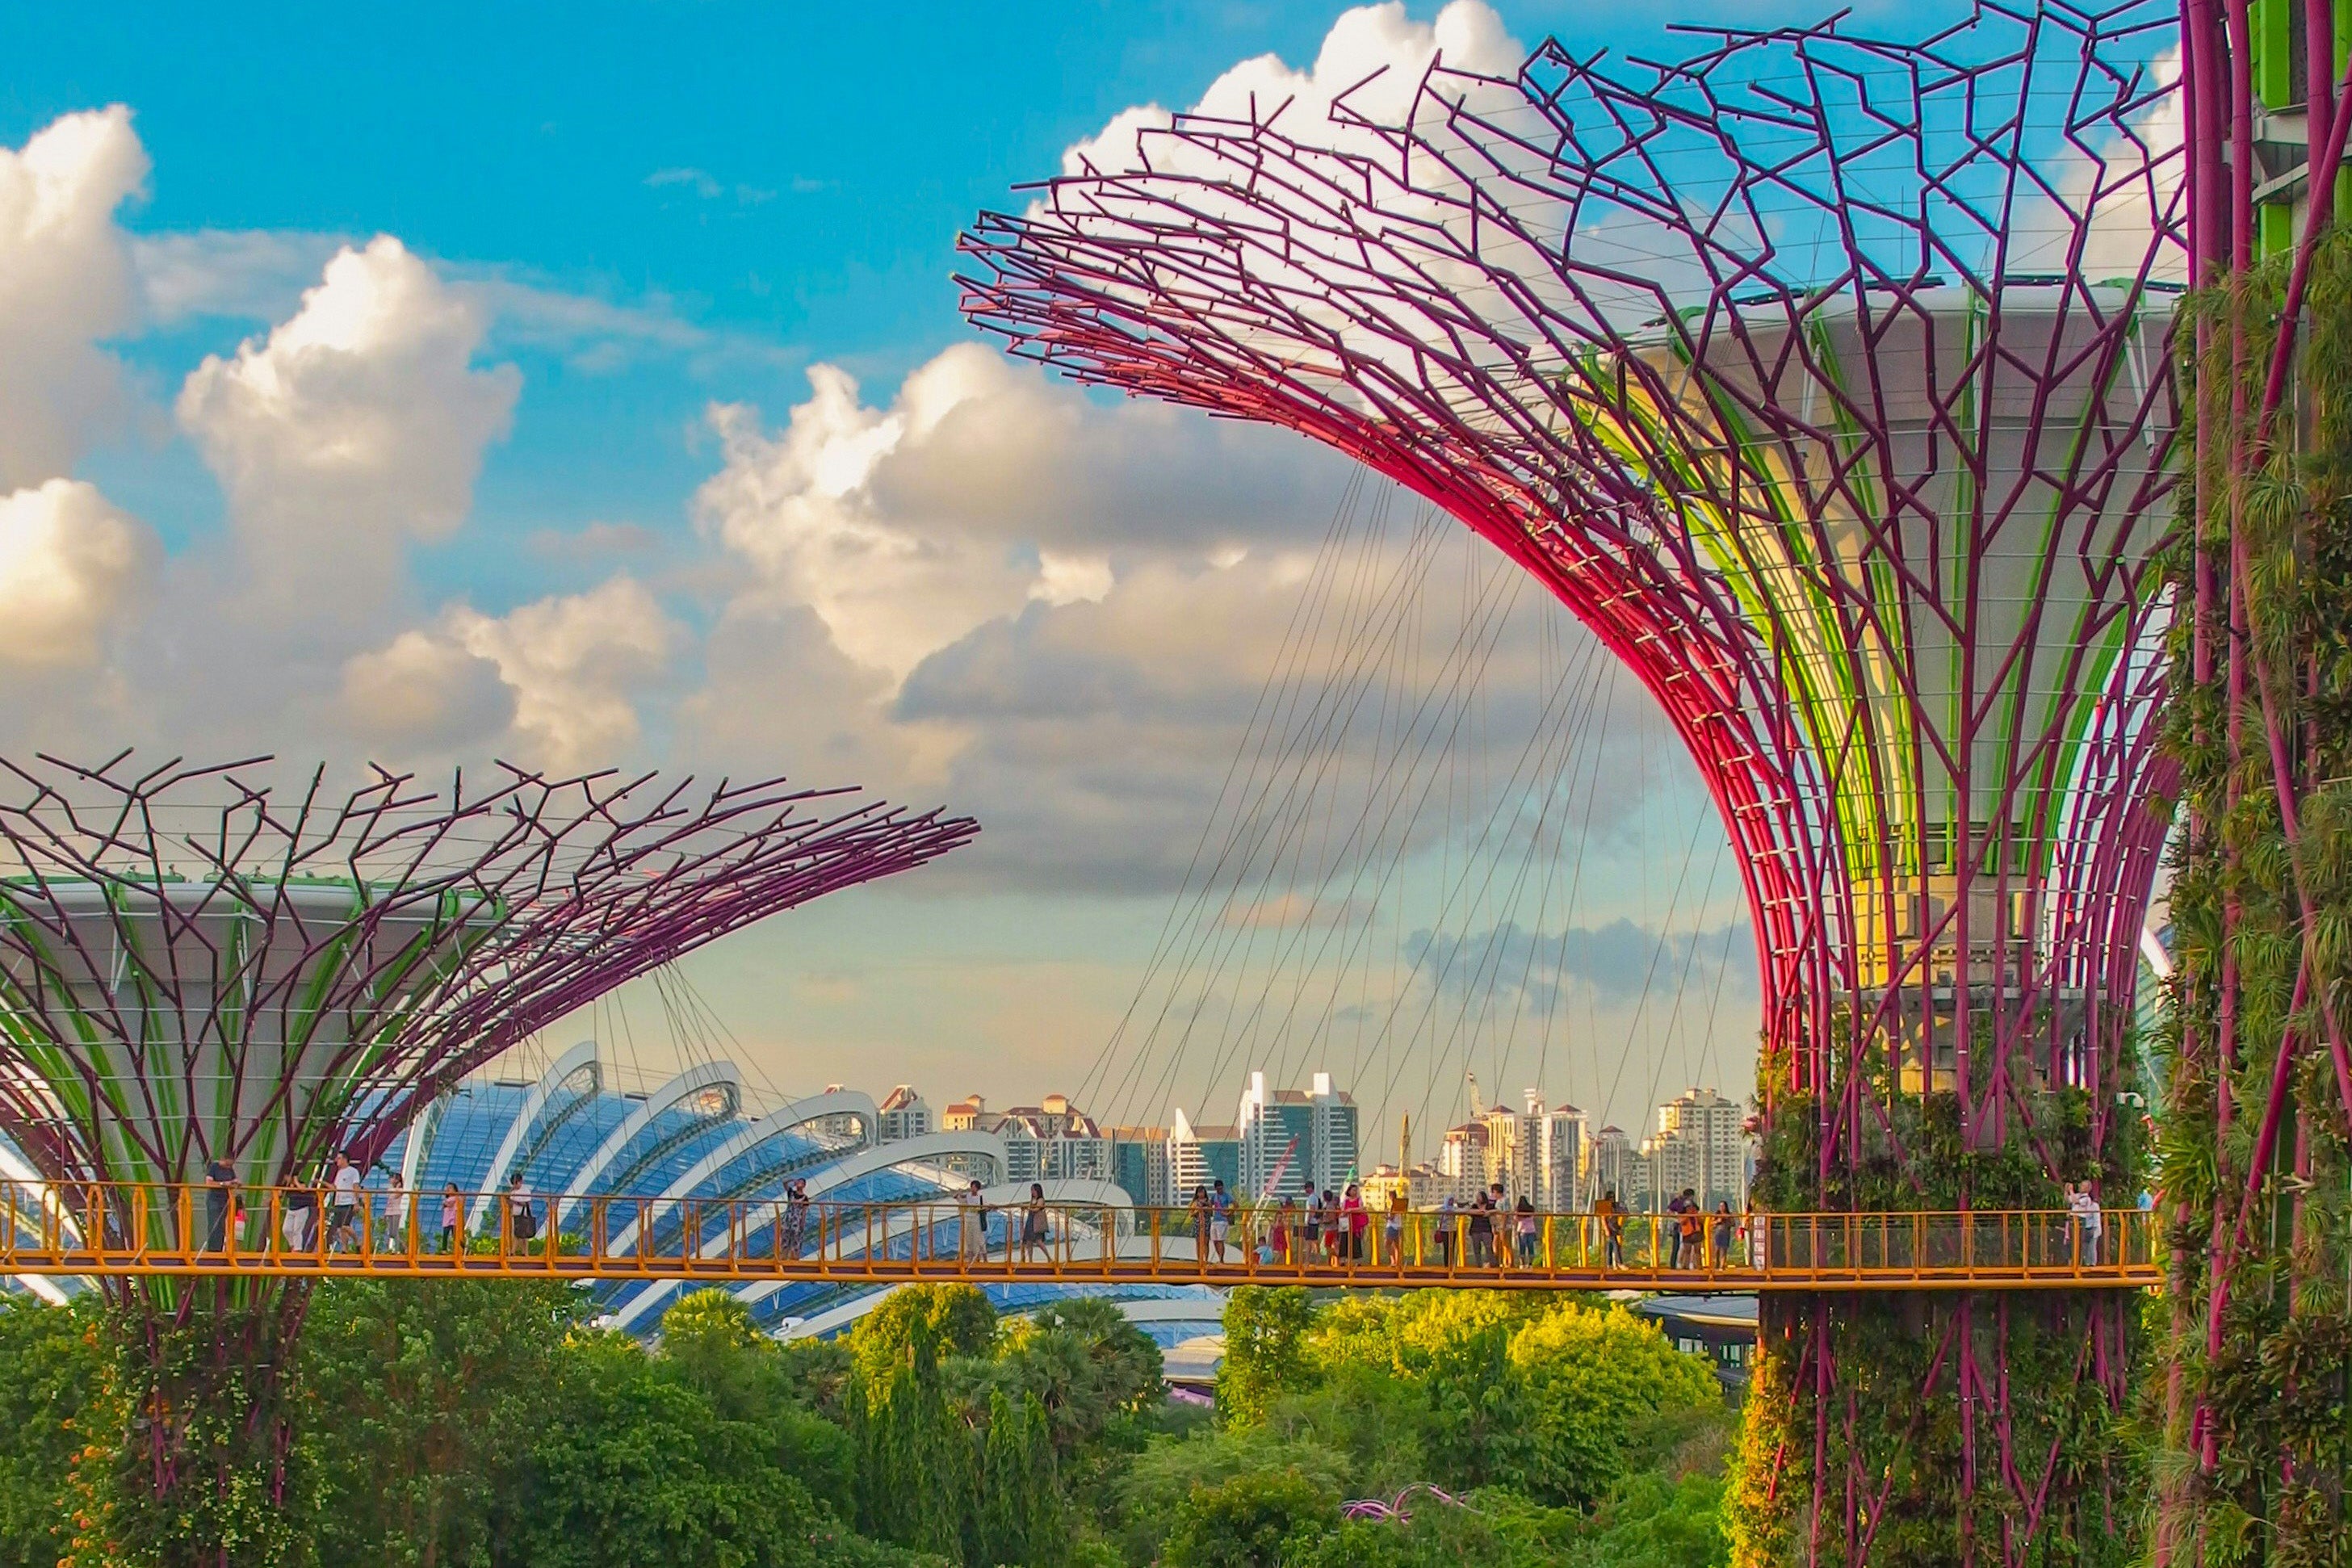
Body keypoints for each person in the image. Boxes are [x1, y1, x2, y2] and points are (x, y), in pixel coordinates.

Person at [325, 1151, 362, 1252]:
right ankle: (344, 1248)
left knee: (345, 1225)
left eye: (339, 1158)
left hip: (348, 1202)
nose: (337, 1160)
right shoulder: (340, 1172)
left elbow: (356, 1186)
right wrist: (322, 1183)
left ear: (345, 1159)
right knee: (340, 1228)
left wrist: (356, 1202)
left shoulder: (353, 1171)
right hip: (338, 1202)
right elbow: (335, 1188)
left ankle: (357, 1241)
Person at [203, 1156, 236, 1253]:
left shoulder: (230, 1170)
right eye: (227, 1164)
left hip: (225, 1200)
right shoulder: (214, 1167)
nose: (229, 1167)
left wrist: (236, 1183)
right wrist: (223, 1184)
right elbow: (209, 1183)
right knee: (214, 1223)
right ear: (223, 1159)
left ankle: (219, 1248)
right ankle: (213, 1250)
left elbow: (234, 1180)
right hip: (214, 1199)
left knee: (222, 1225)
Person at [2068, 1181, 2103, 1264]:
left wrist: (2071, 1190)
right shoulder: (2080, 1196)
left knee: (2091, 1246)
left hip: (2092, 1227)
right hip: (2086, 1226)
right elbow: (2070, 1199)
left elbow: (2096, 1219)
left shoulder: (2089, 1201)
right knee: (2084, 1246)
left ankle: (2092, 1263)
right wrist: (2067, 1191)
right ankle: (2086, 1263)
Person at [505, 1170, 538, 1251]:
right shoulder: (513, 1191)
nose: (515, 1185)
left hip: (523, 1215)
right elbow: (510, 1202)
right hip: (515, 1214)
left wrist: (515, 1202)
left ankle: (514, 1251)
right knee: (517, 1233)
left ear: (520, 1182)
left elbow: (526, 1203)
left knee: (521, 1234)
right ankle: (522, 1251)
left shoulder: (525, 1191)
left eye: (516, 1183)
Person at [1593, 1188, 1625, 1268]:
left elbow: (1620, 1214)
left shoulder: (1615, 1206)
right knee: (1616, 1245)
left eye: (1613, 1197)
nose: (1612, 1199)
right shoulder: (1605, 1206)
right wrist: (1606, 1229)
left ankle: (1609, 1264)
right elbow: (1603, 1218)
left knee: (1610, 1246)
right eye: (1610, 1197)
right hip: (1609, 1227)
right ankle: (1620, 1263)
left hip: (1615, 1226)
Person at [959, 1179, 988, 1263]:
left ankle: (984, 1258)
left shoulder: (981, 1198)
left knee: (979, 1239)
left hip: (977, 1219)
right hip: (969, 1219)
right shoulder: (968, 1196)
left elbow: (986, 1207)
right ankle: (971, 1258)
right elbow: (960, 1198)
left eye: (974, 1187)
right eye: (972, 1187)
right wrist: (959, 1193)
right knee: (969, 1238)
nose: (973, 1189)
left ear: (978, 1189)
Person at [782, 1178, 811, 1257]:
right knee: (785, 1238)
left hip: (797, 1220)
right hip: (788, 1219)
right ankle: (784, 1257)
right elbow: (784, 1183)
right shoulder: (791, 1192)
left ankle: (795, 1257)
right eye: (798, 1182)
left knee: (796, 1239)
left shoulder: (805, 1198)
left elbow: (804, 1211)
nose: (799, 1183)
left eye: (801, 1183)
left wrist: (802, 1223)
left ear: (804, 1185)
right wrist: (792, 1180)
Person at [379, 1167, 406, 1253]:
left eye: (392, 1178)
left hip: (396, 1212)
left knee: (395, 1232)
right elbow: (389, 1202)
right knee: (391, 1233)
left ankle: (398, 1249)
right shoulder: (391, 1189)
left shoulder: (399, 1190)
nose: (390, 1180)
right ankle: (403, 1246)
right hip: (389, 1212)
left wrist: (396, 1188)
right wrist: (385, 1214)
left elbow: (397, 1194)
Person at [1021, 1182, 1050, 1262]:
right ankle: (1030, 1260)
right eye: (1031, 1190)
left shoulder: (1040, 1200)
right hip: (1030, 1220)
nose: (1032, 1192)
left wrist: (1028, 1208)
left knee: (1038, 1241)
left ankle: (1049, 1257)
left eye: (1033, 1190)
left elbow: (1037, 1209)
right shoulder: (1032, 1200)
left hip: (1037, 1221)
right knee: (1029, 1241)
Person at [1209, 1179, 1234, 1264]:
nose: (1220, 1190)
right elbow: (1210, 1204)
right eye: (1218, 1188)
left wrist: (1229, 1213)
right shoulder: (1214, 1197)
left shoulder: (1227, 1196)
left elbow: (1235, 1204)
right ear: (1215, 1188)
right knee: (1215, 1240)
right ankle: (1219, 1257)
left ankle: (1221, 1259)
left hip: (1222, 1221)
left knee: (1220, 1240)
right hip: (1215, 1220)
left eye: (1221, 1188)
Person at [1342, 1183, 1368, 1263]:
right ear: (1349, 1191)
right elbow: (1343, 1211)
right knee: (1345, 1241)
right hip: (1347, 1224)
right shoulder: (1345, 1201)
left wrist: (1351, 1210)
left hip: (1356, 1224)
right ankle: (1345, 1259)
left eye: (1356, 1190)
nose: (1355, 1192)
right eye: (1353, 1190)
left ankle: (1357, 1260)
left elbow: (1362, 1208)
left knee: (1356, 1241)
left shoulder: (1359, 1200)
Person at [1189, 1184, 1213, 1265]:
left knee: (1206, 1241)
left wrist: (1206, 1208)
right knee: (1198, 1242)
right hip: (1198, 1222)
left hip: (1206, 1222)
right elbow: (1191, 1214)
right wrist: (1197, 1211)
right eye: (1199, 1192)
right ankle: (1199, 1259)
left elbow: (1211, 1213)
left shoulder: (1208, 1201)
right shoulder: (1195, 1202)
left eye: (1202, 1192)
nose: (1201, 1194)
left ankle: (1206, 1259)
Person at [1384, 1183, 1407, 1266]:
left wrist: (1386, 1217)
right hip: (1399, 1226)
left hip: (1392, 1226)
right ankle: (1397, 1262)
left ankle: (1393, 1261)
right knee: (1397, 1246)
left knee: (1387, 1244)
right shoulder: (1400, 1204)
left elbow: (1392, 1217)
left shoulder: (1394, 1205)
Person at [1515, 1193, 1539, 1267]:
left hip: (1522, 1231)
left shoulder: (1519, 1210)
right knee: (1531, 1248)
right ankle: (1530, 1264)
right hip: (1531, 1230)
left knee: (1522, 1248)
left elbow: (1516, 1219)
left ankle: (1522, 1264)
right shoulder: (1531, 1209)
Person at [1711, 1201, 1737, 1269]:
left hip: (1725, 1233)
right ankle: (1716, 1264)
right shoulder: (1717, 1214)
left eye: (1723, 1206)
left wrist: (1727, 1219)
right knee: (1716, 1250)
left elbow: (1733, 1223)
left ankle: (1722, 1266)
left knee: (1723, 1250)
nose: (1721, 1207)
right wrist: (1717, 1221)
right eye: (1720, 1206)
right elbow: (1711, 1223)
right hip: (1717, 1233)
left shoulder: (1729, 1215)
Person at [438, 1181, 462, 1253]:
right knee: (446, 1235)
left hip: (453, 1220)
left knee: (455, 1236)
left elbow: (450, 1205)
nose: (448, 1189)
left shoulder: (456, 1198)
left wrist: (445, 1203)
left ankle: (462, 1247)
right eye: (447, 1188)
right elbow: (444, 1207)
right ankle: (444, 1249)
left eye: (450, 1188)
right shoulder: (449, 1199)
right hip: (447, 1220)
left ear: (455, 1190)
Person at [1436, 1193, 1458, 1266]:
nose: (1451, 1202)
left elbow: (1462, 1210)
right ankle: (1446, 1265)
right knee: (1446, 1247)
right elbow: (1437, 1212)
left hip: (1453, 1230)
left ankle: (1451, 1264)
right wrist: (1445, 1212)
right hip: (1444, 1230)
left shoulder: (1454, 1208)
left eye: (1452, 1200)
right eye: (1450, 1200)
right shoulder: (1442, 1209)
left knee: (1452, 1248)